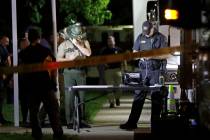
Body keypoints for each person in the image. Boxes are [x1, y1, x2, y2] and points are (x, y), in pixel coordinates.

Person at [120, 21, 168, 130]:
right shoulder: (140, 37)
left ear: (153, 28)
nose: (146, 34)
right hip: (142, 71)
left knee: (156, 98)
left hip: (155, 72)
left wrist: (152, 56)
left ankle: (155, 125)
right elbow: (134, 53)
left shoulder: (161, 38)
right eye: (145, 32)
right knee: (138, 97)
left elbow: (166, 54)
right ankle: (131, 123)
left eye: (148, 32)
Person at [19, 27, 63, 140]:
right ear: (39, 37)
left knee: (33, 112)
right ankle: (57, 133)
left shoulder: (24, 53)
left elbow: (22, 70)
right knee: (53, 111)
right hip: (46, 85)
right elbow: (54, 68)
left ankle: (37, 134)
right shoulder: (46, 51)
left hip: (31, 87)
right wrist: (54, 82)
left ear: (29, 38)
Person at [57, 22, 92, 129]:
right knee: (69, 98)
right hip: (68, 72)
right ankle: (70, 121)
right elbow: (58, 59)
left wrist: (77, 44)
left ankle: (81, 120)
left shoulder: (84, 42)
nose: (79, 34)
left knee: (82, 97)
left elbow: (88, 53)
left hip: (80, 72)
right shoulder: (64, 44)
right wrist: (70, 59)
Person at [100, 35, 124, 108]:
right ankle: (111, 102)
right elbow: (101, 60)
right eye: (109, 40)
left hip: (118, 70)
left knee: (119, 86)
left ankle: (117, 98)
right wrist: (105, 64)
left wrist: (124, 68)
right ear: (107, 42)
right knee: (110, 87)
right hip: (108, 71)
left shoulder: (119, 50)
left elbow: (123, 59)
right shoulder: (104, 50)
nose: (110, 42)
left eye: (111, 40)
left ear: (114, 41)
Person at [0, 35, 11, 125]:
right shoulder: (0, 48)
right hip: (1, 76)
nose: (7, 43)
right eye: (6, 41)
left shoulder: (4, 48)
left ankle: (1, 117)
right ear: (1, 40)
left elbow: (8, 59)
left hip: (4, 76)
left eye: (8, 41)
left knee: (2, 98)